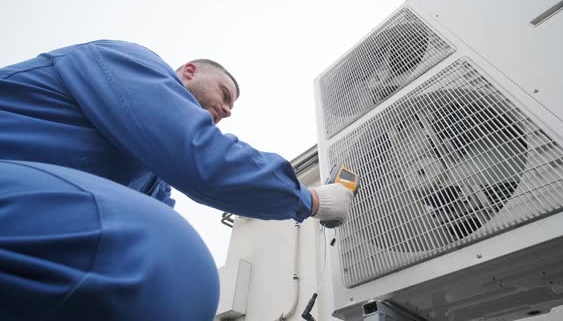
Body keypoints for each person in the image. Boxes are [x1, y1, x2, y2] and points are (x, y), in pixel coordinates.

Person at [0, 40, 353, 321]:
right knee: (169, 256)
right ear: (188, 72)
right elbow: (200, 156)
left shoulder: (149, 180)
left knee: (181, 285)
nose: (228, 111)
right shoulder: (127, 63)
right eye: (225, 95)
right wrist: (314, 200)